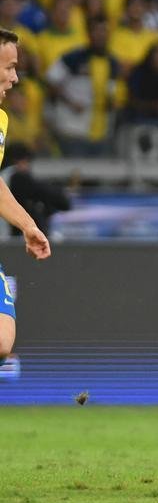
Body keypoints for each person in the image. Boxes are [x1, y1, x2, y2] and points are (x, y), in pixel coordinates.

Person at [0, 29, 53, 363]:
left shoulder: (0, 119)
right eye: (8, 67)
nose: (15, 77)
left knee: (3, 340)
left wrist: (27, 225)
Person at [1, 143, 71, 236]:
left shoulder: (4, 176)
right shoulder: (18, 178)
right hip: (13, 240)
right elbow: (61, 200)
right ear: (22, 161)